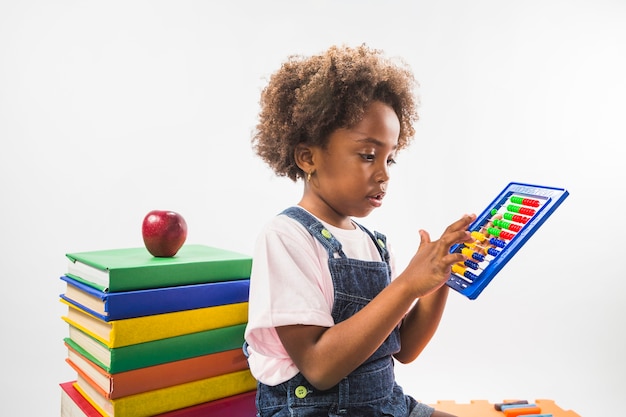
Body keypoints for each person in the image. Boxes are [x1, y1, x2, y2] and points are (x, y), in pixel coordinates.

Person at [243, 44, 475, 417]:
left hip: (387, 406)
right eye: (368, 155)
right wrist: (407, 285)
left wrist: (439, 277)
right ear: (308, 157)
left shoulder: (373, 245)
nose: (383, 174)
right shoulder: (286, 237)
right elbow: (319, 368)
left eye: (390, 158)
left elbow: (406, 348)